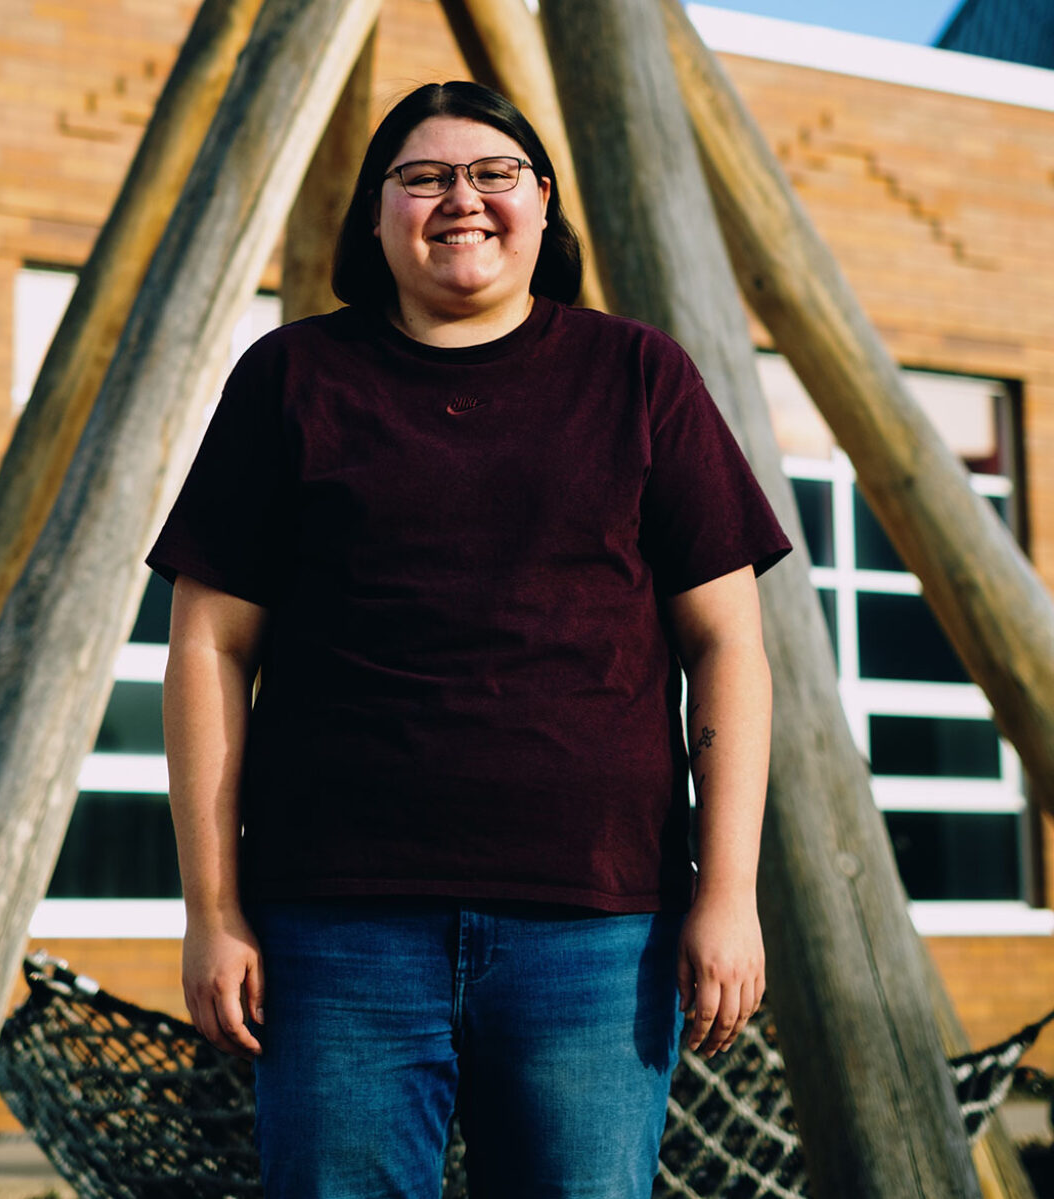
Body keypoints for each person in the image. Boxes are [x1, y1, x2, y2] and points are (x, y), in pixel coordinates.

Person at [147, 80, 790, 1199]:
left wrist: (727, 892)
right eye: (423, 176)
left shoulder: (642, 376)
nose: (463, 199)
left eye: (495, 173)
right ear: (377, 212)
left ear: (544, 203)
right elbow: (209, 648)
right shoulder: (291, 378)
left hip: (596, 925)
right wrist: (213, 911)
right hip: (337, 925)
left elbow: (727, 642)